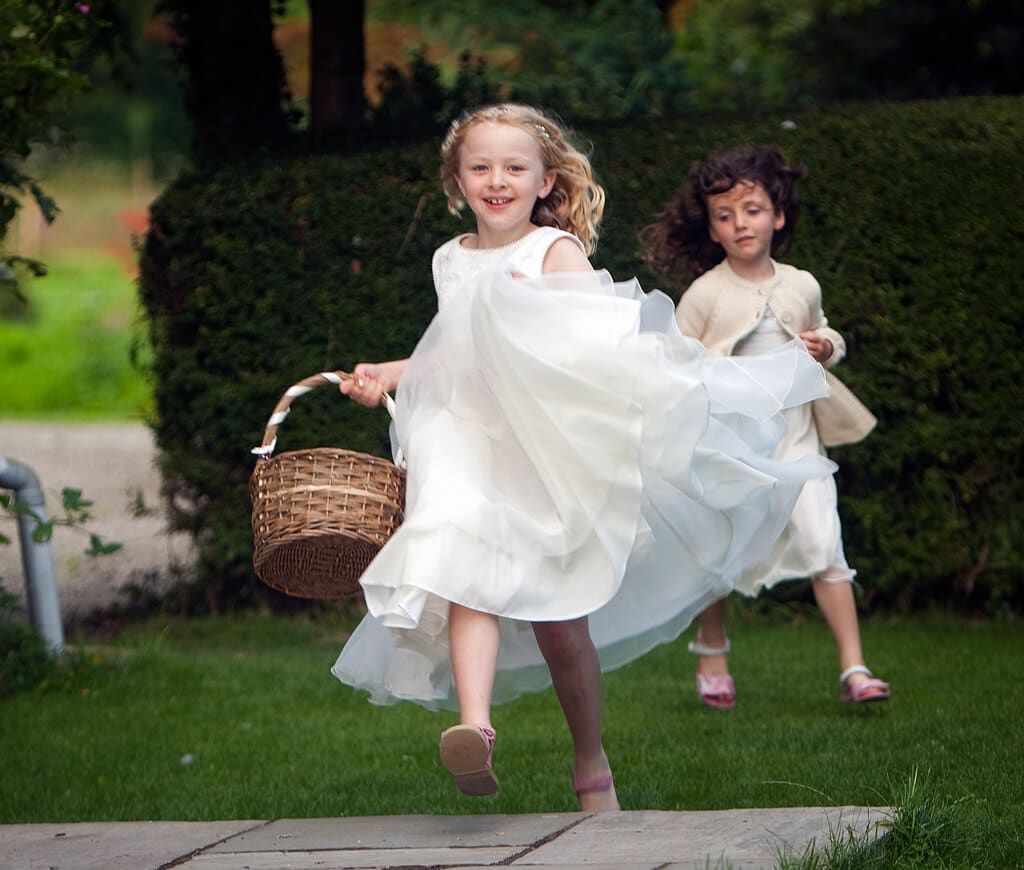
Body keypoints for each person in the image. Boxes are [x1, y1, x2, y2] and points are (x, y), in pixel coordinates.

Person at [332, 105, 832, 812]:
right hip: (462, 437)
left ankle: (590, 760)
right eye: (480, 168)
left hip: (540, 447)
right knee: (460, 568)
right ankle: (475, 727)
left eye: (514, 168)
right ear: (456, 181)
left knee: (559, 628)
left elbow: (597, 352)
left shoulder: (552, 253)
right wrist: (386, 373)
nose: (496, 181)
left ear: (545, 181)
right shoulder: (450, 258)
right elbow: (450, 350)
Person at [640, 143, 889, 709]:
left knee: (826, 546)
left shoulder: (801, 285)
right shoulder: (705, 294)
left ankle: (855, 667)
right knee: (717, 556)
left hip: (799, 445)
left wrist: (827, 346)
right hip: (729, 451)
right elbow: (675, 363)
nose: (739, 224)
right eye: (724, 216)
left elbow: (826, 332)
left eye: (751, 210)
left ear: (777, 215)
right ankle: (712, 652)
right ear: (712, 230)